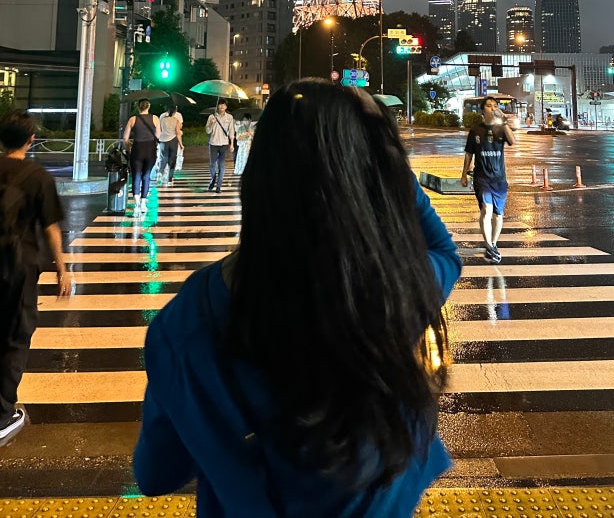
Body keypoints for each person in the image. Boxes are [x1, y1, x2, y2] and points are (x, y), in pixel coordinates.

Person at [134, 80, 461, 516]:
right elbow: (445, 253)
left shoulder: (186, 322)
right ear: (363, 175)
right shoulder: (386, 288)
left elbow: (155, 474)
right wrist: (383, 153)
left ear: (259, 174)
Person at [0, 110, 72, 447]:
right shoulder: (39, 176)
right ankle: (3, 416)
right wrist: (62, 268)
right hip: (20, 267)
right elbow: (50, 227)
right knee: (16, 336)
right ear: (31, 139)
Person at [460, 96, 514, 264]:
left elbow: (512, 141)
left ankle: (493, 244)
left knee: (498, 215)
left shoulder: (501, 129)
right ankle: (489, 245)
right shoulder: (475, 130)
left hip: (499, 179)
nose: (493, 108)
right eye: (489, 106)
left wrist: (504, 121)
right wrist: (464, 173)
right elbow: (469, 153)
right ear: (483, 110)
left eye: (495, 106)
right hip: (482, 177)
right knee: (486, 209)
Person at [123, 99, 160, 217]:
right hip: (150, 150)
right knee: (146, 176)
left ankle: (136, 204)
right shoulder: (155, 118)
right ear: (149, 106)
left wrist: (128, 149)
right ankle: (144, 203)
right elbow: (158, 135)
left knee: (136, 176)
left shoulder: (132, 119)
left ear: (138, 107)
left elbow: (125, 138)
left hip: (137, 150)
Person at [205, 100, 235, 194]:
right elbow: (207, 131)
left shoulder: (229, 117)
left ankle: (218, 186)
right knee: (212, 164)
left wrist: (232, 144)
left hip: (224, 144)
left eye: (224, 105)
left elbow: (231, 131)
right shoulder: (212, 117)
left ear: (226, 107)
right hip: (213, 143)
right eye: (220, 104)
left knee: (221, 165)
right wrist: (211, 123)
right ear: (217, 106)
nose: (222, 106)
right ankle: (213, 179)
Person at [158, 105, 183, 186]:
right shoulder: (176, 120)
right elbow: (177, 133)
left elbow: (159, 130)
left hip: (163, 140)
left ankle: (160, 173)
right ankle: (169, 180)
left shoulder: (162, 119)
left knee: (163, 158)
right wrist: (181, 144)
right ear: (175, 111)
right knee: (172, 160)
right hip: (173, 140)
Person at [232, 113, 252, 177]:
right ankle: (242, 171)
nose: (245, 121)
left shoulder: (253, 128)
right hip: (242, 147)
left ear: (250, 120)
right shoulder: (240, 128)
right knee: (242, 159)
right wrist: (245, 134)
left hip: (250, 147)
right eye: (244, 120)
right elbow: (237, 137)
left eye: (246, 120)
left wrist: (251, 134)